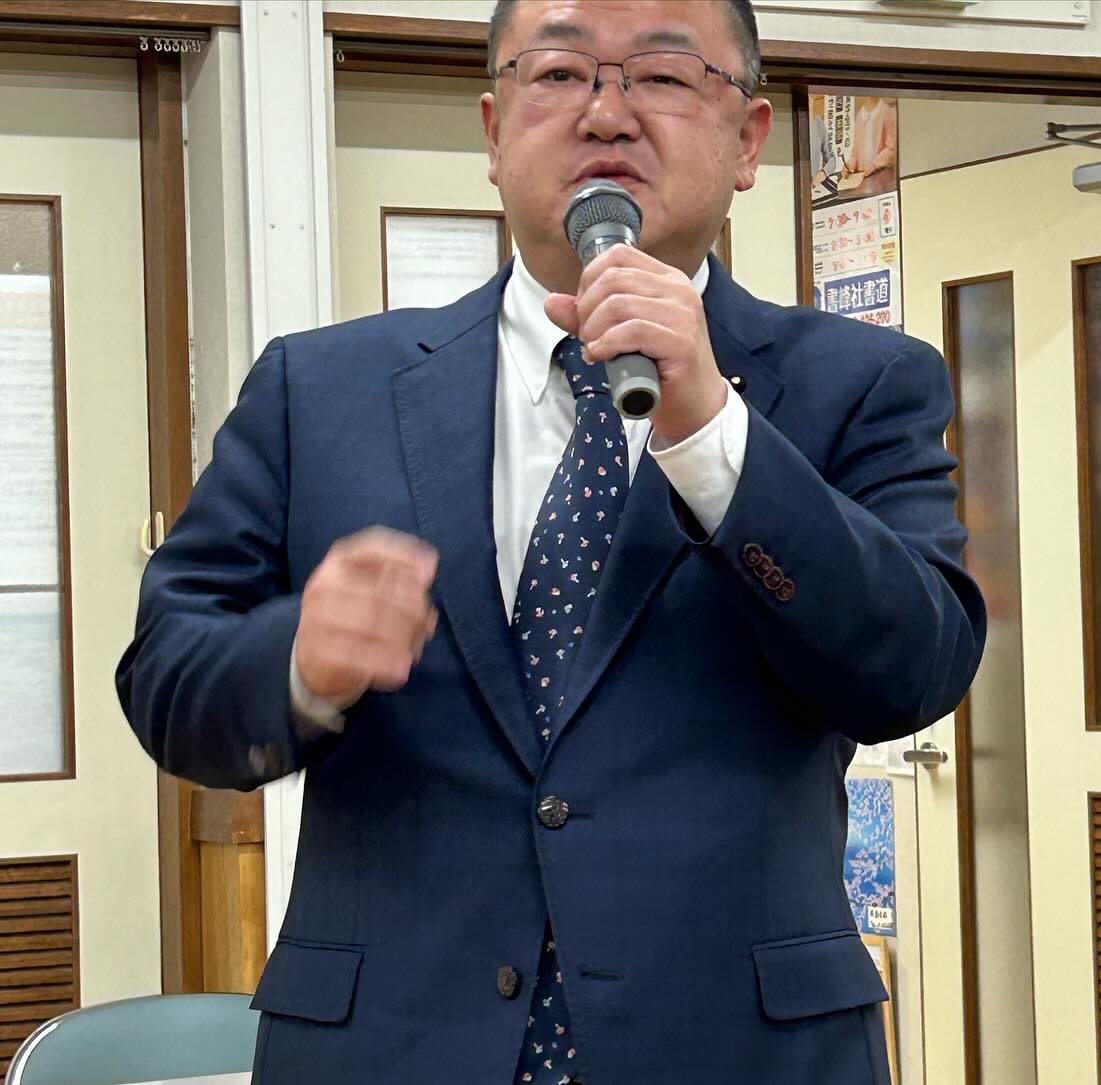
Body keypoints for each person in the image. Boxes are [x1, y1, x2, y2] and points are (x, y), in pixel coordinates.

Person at [115, 2, 985, 1083]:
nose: (607, 114)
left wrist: (716, 436)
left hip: (737, 1048)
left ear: (749, 140)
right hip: (391, 1047)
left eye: (663, 76)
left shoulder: (862, 384)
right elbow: (165, 676)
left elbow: (917, 667)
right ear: (494, 128)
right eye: (562, 72)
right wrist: (296, 659)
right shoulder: (320, 390)